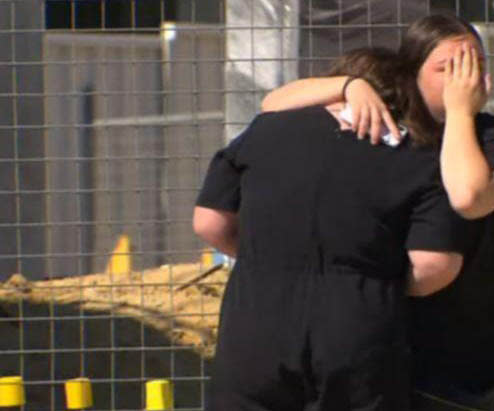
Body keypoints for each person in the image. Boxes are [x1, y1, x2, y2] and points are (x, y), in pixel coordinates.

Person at [261, 14, 494, 411]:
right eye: (448, 68)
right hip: (407, 345)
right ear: (413, 74)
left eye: (475, 66)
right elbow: (272, 105)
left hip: (487, 348)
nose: (465, 79)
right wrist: (349, 86)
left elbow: (468, 196)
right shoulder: (395, 128)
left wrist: (460, 113)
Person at [193, 47, 469, 411]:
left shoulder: (267, 130)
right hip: (357, 328)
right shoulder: (420, 156)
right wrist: (373, 281)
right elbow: (435, 265)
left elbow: (209, 222)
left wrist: (268, 256)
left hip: (255, 323)